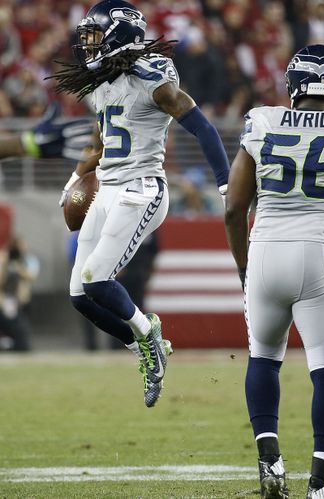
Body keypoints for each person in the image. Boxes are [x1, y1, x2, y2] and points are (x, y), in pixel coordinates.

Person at [53, 0, 230, 408]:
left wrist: (223, 181)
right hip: (108, 188)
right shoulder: (99, 84)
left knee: (98, 279)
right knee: (80, 295)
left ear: (117, 35)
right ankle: (144, 349)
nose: (88, 46)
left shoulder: (154, 80)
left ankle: (147, 332)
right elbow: (99, 143)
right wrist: (72, 181)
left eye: (95, 36)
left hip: (142, 187)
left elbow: (200, 124)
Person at [225, 44, 324, 498]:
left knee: (262, 358)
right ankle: (320, 488)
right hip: (320, 254)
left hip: (265, 252)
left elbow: (235, 209)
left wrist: (243, 267)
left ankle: (270, 464)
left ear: (292, 85)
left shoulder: (262, 119)